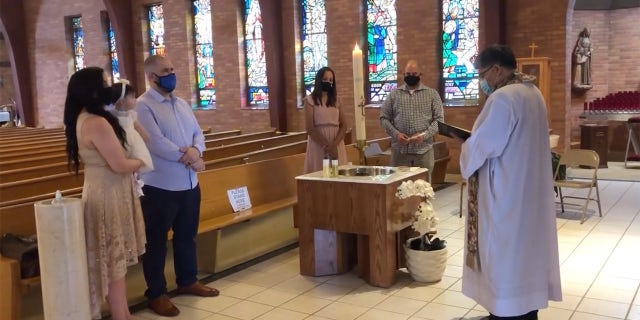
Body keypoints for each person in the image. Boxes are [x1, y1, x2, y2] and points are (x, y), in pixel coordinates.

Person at [457, 44, 562, 319]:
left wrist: (466, 147)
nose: (483, 81)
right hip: (528, 191)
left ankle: (505, 311)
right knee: (526, 256)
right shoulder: (533, 92)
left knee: (504, 258)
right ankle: (525, 310)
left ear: (496, 69)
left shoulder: (503, 98)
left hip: (506, 194)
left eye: (482, 74)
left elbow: (484, 145)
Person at [136, 55, 217, 317]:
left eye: (172, 68)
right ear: (152, 77)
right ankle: (157, 294)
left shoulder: (181, 103)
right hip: (160, 186)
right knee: (156, 242)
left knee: (186, 236)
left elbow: (198, 133)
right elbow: (155, 143)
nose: (171, 73)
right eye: (165, 71)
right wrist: (190, 158)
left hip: (189, 183)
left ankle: (187, 280)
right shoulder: (143, 106)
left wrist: (196, 150)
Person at [63, 67, 146, 320]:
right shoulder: (96, 122)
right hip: (108, 194)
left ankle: (124, 313)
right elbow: (120, 164)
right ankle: (122, 316)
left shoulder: (82, 118)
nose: (109, 88)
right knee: (113, 264)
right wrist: (142, 160)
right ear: (93, 90)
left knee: (112, 262)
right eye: (104, 83)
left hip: (106, 189)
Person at [380, 60, 444, 181]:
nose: (411, 77)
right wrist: (396, 134)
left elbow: (439, 120)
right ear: (403, 74)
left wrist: (424, 135)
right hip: (400, 152)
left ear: (421, 75)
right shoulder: (394, 94)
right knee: (399, 190)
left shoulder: (432, 94)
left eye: (414, 74)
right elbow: (384, 118)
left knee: (422, 190)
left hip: (423, 151)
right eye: (408, 74)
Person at [303, 66, 348, 172]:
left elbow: (344, 125)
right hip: (318, 143)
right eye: (325, 79)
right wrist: (327, 146)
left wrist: (334, 146)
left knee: (338, 175)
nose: (328, 82)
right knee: (319, 173)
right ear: (319, 80)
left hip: (336, 142)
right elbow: (310, 128)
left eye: (331, 80)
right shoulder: (309, 101)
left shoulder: (337, 100)